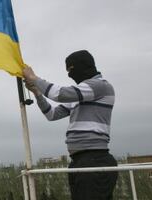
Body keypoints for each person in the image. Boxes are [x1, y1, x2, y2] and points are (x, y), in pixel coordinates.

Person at [22, 50, 118, 200]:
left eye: (70, 70)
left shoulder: (100, 86)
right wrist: (37, 93)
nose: (69, 75)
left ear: (83, 66)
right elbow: (52, 115)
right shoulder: (82, 93)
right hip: (79, 161)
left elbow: (60, 94)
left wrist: (34, 78)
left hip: (94, 160)